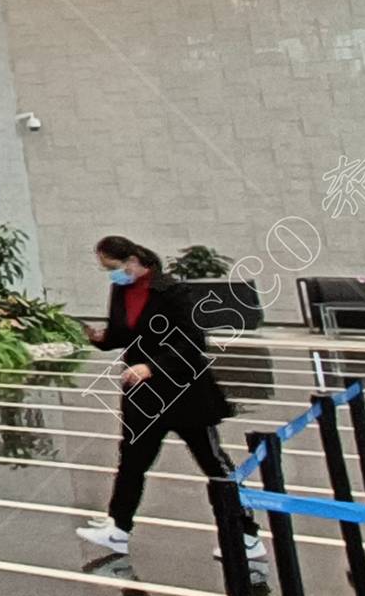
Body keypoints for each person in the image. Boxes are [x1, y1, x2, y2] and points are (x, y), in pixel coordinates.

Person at [75, 236, 258, 561]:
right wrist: (99, 339)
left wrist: (152, 366)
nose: (112, 275)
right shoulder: (121, 290)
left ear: (133, 260)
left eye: (113, 267)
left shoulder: (171, 290)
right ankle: (118, 528)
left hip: (184, 392)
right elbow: (122, 333)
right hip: (144, 397)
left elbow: (192, 340)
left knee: (213, 463)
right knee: (132, 461)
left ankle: (246, 535)